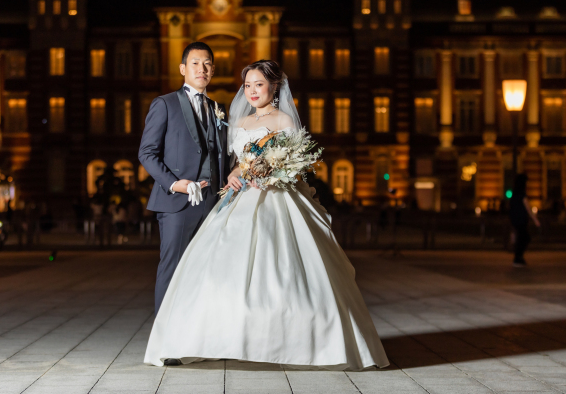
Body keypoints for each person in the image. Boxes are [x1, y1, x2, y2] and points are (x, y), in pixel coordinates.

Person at [144, 60, 389, 371]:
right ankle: (219, 336)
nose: (252, 91)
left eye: (258, 84)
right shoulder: (241, 122)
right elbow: (236, 162)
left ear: (274, 87)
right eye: (247, 85)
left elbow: (296, 167)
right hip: (239, 198)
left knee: (282, 271)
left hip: (276, 199)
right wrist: (234, 175)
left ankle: (292, 338)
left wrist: (274, 173)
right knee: (219, 271)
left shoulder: (284, 119)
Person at [138, 41, 230, 339]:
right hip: (176, 204)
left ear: (213, 70)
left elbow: (223, 155)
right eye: (195, 63)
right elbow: (147, 154)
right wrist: (176, 183)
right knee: (173, 268)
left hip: (213, 204)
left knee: (207, 272)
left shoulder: (219, 108)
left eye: (207, 64)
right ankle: (165, 341)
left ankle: (197, 337)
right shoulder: (164, 104)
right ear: (183, 69)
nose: (201, 69)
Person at [509, 174, 540, 267]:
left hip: (515, 220)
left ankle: (518, 257)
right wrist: (535, 220)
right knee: (524, 238)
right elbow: (528, 209)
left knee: (521, 238)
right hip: (521, 220)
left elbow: (511, 208)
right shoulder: (522, 195)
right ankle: (517, 258)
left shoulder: (514, 194)